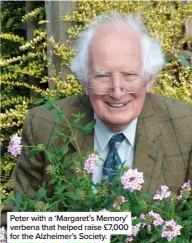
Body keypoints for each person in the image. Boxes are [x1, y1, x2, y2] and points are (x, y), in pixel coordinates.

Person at [1, 12, 192, 226]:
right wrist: (92, 230)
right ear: (84, 81)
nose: (117, 91)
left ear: (149, 79)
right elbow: (13, 222)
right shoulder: (44, 126)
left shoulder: (186, 127)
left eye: (129, 75)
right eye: (102, 75)